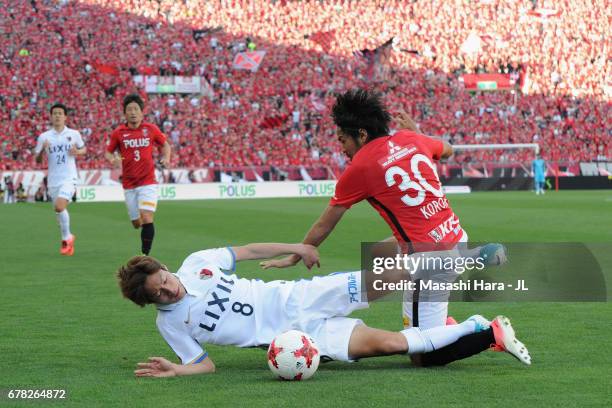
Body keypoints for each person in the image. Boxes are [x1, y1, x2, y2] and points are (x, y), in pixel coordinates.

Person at [262, 89, 508, 366]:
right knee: (380, 252)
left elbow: (325, 223)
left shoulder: (362, 167)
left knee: (422, 355)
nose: (341, 148)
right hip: (453, 233)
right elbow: (448, 149)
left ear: (362, 134)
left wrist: (297, 253)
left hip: (431, 258)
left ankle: (488, 331)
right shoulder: (410, 138)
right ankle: (444, 316)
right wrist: (419, 133)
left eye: (343, 140)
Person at [116, 243, 530, 377]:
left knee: (387, 276)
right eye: (159, 295)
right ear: (150, 303)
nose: (169, 292)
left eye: (164, 282)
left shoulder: (198, 263)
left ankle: (470, 254)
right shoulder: (170, 324)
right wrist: (178, 369)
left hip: (300, 297)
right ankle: (481, 329)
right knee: (390, 346)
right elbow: (204, 365)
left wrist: (295, 248)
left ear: (165, 268)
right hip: (296, 340)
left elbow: (245, 251)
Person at [105, 94, 172, 255]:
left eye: (136, 109)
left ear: (142, 112)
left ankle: (145, 255)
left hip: (148, 182)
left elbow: (165, 145)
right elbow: (108, 152)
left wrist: (166, 157)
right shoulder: (119, 133)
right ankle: (141, 230)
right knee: (137, 222)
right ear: (125, 113)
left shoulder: (151, 129)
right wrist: (113, 158)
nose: (133, 112)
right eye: (129, 109)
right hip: (129, 184)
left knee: (147, 216)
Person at [33, 103, 87, 255]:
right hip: (53, 180)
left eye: (60, 113)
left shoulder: (74, 134)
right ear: (51, 116)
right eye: (54, 113)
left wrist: (77, 151)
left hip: (69, 177)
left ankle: (66, 238)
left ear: (65, 117)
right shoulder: (44, 137)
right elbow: (37, 160)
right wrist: (43, 149)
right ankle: (69, 241)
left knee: (59, 206)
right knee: (59, 212)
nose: (57, 116)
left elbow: (84, 149)